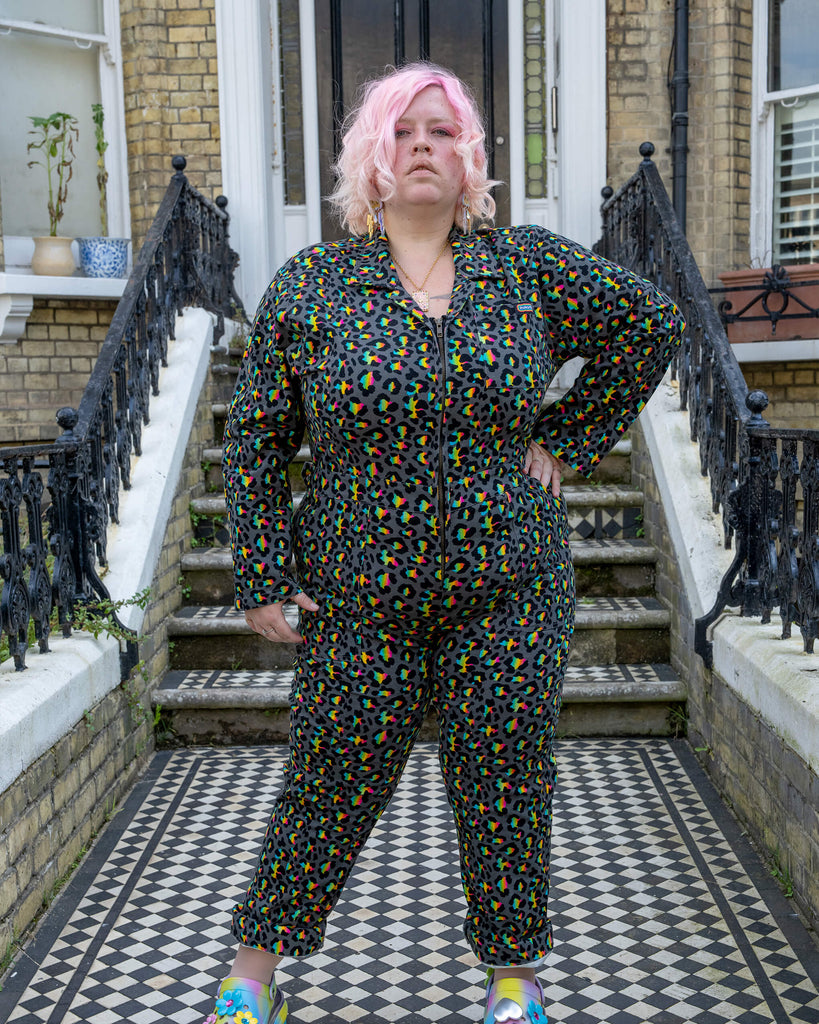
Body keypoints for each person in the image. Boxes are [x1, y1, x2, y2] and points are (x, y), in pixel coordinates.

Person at [206, 62, 684, 1024]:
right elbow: (255, 437)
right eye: (402, 131)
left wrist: (568, 438)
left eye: (441, 131)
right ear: (371, 158)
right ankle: (252, 977)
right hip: (357, 594)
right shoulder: (313, 287)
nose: (421, 145)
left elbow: (651, 324)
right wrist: (260, 572)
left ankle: (514, 981)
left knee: (505, 778)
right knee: (330, 777)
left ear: (469, 158)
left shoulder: (526, 269)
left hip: (510, 586)